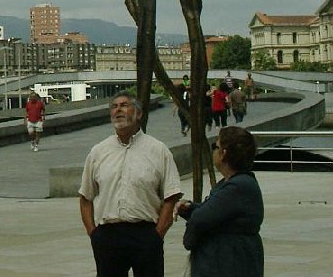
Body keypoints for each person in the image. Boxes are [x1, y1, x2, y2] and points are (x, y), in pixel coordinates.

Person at [78, 92, 182, 277]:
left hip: (146, 234)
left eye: (124, 105)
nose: (118, 110)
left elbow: (171, 195)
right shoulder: (98, 152)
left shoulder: (158, 150)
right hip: (108, 235)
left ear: (139, 114)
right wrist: (93, 234)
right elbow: (86, 196)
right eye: (114, 106)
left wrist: (158, 234)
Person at [175, 126, 264, 277]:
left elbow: (200, 219)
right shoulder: (232, 183)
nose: (213, 151)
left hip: (229, 262)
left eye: (215, 146)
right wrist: (190, 208)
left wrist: (190, 241)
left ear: (224, 153)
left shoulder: (238, 186)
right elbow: (216, 212)